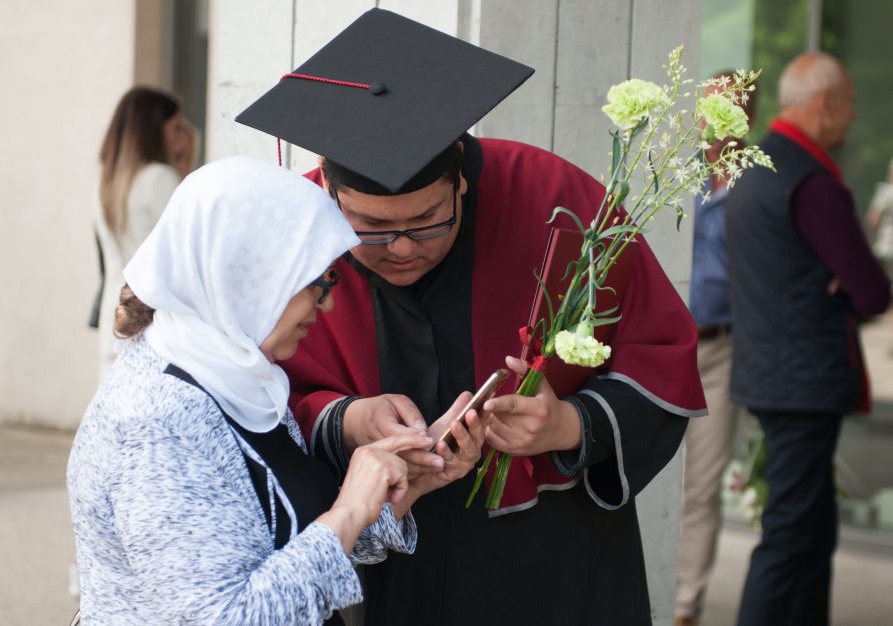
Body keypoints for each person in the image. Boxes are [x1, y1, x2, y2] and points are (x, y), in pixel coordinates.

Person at [236, 9, 706, 625]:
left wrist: (568, 425)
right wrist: (349, 420)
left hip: (548, 560)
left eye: (428, 219)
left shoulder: (556, 204)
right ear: (329, 193)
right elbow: (248, 398)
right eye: (371, 228)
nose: (402, 247)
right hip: (380, 568)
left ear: (461, 177)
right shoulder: (294, 237)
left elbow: (660, 356)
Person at [66, 157, 485, 625]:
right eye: (313, 282)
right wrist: (348, 509)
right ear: (249, 277)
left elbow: (290, 541)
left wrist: (409, 482)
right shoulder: (157, 424)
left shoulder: (238, 375)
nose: (325, 303)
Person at [727, 52, 891, 626]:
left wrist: (836, 279)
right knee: (791, 536)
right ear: (824, 105)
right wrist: (846, 280)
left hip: (768, 373)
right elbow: (872, 291)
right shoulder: (813, 182)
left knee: (811, 530)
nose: (854, 116)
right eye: (848, 103)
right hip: (803, 385)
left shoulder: (756, 168)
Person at [674, 72, 756, 626]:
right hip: (668, 347)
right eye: (713, 101)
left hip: (723, 349)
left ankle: (684, 609)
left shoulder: (756, 181)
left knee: (703, 485)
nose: (721, 111)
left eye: (734, 101)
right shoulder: (675, 170)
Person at [93, 86, 197, 374]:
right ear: (152, 129)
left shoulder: (107, 181)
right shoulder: (159, 179)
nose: (181, 135)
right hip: (153, 318)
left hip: (114, 315)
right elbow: (189, 249)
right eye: (174, 127)